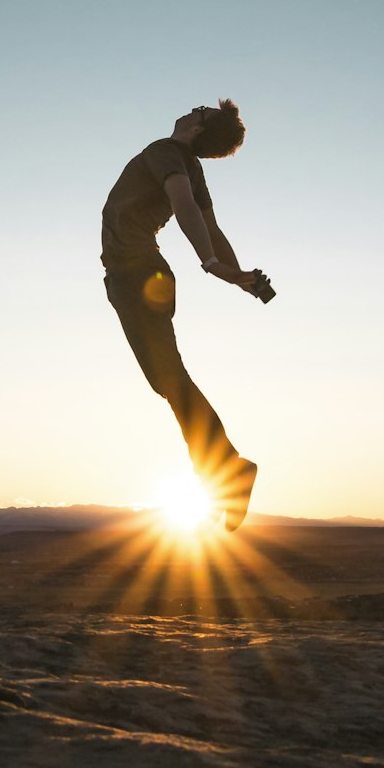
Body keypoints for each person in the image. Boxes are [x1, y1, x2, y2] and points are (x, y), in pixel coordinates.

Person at [101, 100, 272, 531]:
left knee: (172, 382)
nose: (190, 108)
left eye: (198, 109)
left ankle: (229, 470)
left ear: (197, 128)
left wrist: (214, 265)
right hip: (141, 273)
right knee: (170, 383)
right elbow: (211, 227)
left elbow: (185, 208)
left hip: (135, 273)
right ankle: (224, 470)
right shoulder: (192, 168)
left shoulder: (166, 151)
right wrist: (237, 276)